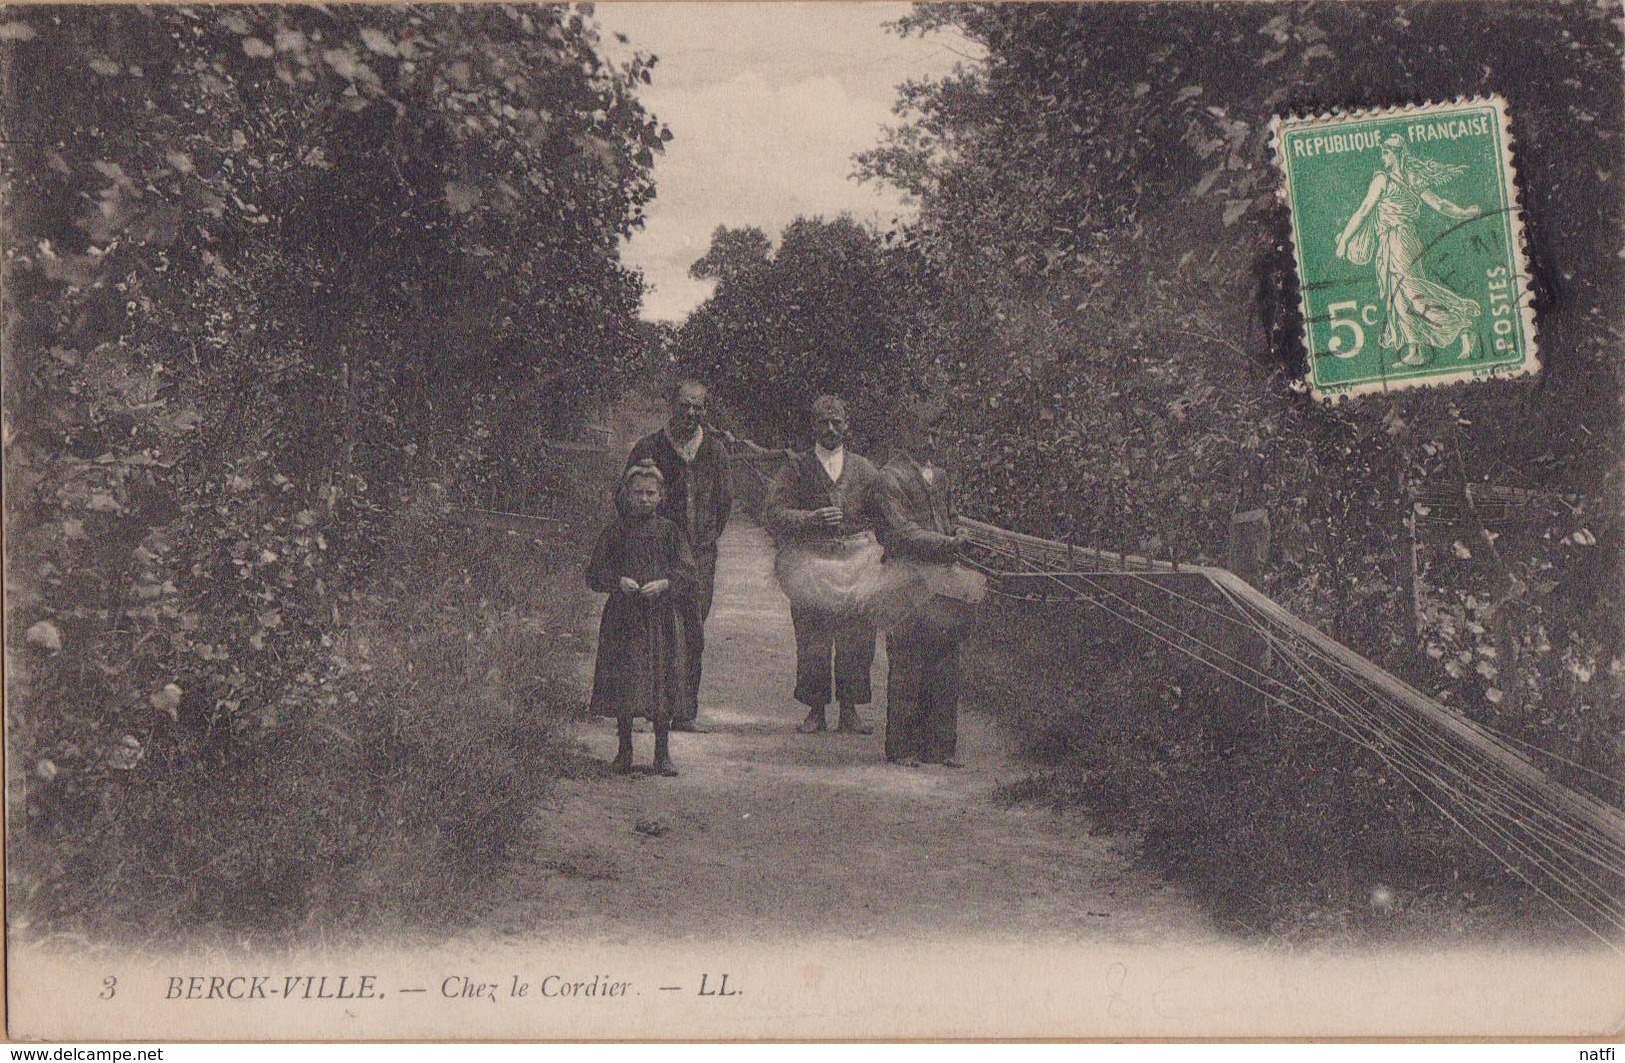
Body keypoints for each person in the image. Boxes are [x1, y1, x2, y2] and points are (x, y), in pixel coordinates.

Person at [762, 395, 888, 736]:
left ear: (846, 425)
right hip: (811, 561)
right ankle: (815, 710)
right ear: (813, 426)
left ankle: (850, 710)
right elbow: (773, 513)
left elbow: (886, 512)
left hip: (857, 561)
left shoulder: (863, 468)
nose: (830, 429)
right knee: (812, 635)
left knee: (857, 636)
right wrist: (810, 518)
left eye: (836, 422)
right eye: (823, 422)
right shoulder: (797, 468)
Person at [626, 380, 733, 732]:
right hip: (656, 556)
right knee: (650, 627)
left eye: (698, 407)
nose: (691, 413)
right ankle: (647, 707)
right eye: (685, 406)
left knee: (692, 628)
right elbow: (625, 498)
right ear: (672, 405)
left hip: (700, 557)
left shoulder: (715, 449)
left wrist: (703, 539)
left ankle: (685, 711)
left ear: (705, 410)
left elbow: (723, 502)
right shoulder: (649, 447)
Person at [585, 461, 696, 777]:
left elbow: (688, 573)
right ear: (626, 495)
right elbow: (594, 573)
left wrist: (665, 583)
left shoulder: (670, 532)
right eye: (638, 493)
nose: (644, 499)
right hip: (624, 618)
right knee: (624, 682)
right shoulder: (615, 531)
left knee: (661, 682)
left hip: (660, 618)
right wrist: (617, 581)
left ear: (661, 496)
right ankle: (624, 751)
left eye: (651, 493)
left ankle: (662, 753)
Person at [1335, 134, 1483, 367]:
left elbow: (1364, 210)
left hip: (1398, 240)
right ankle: (1415, 349)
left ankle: (1462, 325)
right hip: (1402, 240)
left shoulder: (1383, 180)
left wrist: (1344, 241)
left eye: (1386, 152)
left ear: (1397, 153)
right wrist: (1463, 213)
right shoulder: (1412, 178)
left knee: (1412, 291)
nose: (1382, 156)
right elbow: (1440, 204)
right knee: (1399, 295)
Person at [875, 404, 970, 768]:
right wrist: (947, 544)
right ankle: (902, 748)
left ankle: (940, 747)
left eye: (935, 435)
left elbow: (951, 516)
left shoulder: (941, 476)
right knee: (908, 662)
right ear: (905, 436)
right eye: (922, 434)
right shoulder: (889, 478)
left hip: (942, 579)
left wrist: (958, 531)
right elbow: (902, 532)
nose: (929, 442)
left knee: (944, 660)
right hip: (905, 578)